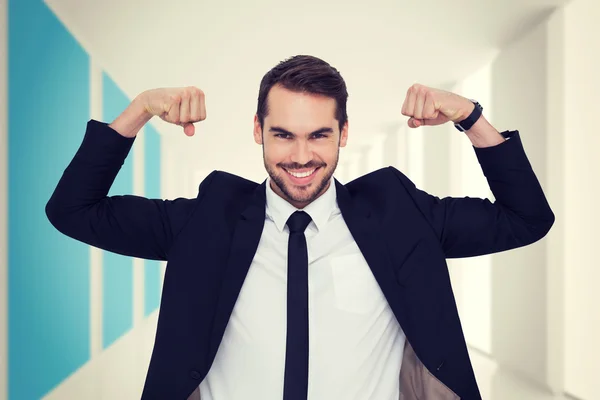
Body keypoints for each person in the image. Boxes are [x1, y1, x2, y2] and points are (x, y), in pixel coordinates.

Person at [45, 55, 554, 400]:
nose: (302, 156)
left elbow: (527, 218)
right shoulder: (208, 219)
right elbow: (72, 210)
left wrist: (471, 117)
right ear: (257, 131)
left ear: (344, 134)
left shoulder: (398, 214)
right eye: (283, 135)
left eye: (319, 135)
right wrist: (137, 111)